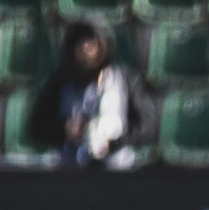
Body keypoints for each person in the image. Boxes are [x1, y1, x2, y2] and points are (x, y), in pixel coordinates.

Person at [28, 21, 149, 169]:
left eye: (92, 41)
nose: (87, 48)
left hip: (117, 169)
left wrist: (112, 143)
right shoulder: (59, 82)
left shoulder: (125, 79)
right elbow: (37, 126)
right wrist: (65, 130)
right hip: (70, 169)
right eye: (81, 43)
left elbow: (145, 124)